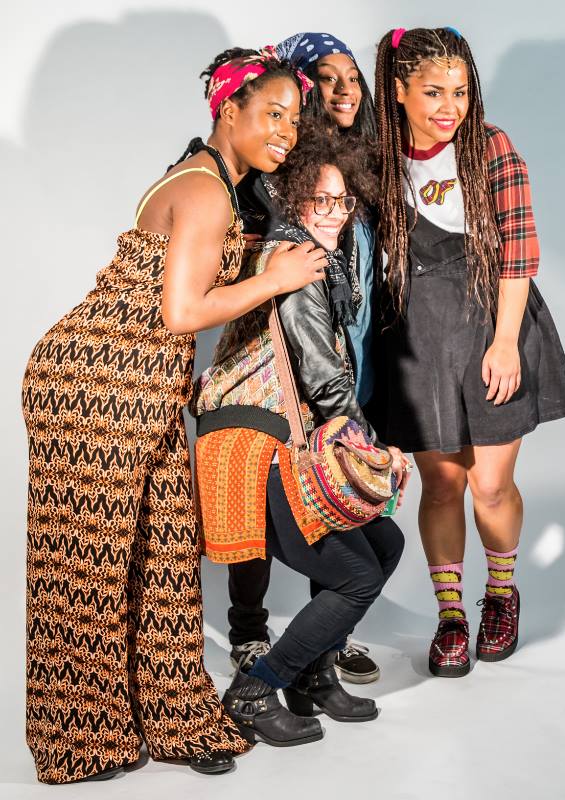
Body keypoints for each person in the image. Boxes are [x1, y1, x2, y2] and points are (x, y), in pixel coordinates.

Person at [21, 46, 325, 784]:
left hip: (142, 391)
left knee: (163, 556)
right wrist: (276, 277)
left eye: (295, 118)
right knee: (86, 570)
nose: (286, 131)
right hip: (93, 389)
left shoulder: (222, 183)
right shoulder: (205, 192)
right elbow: (183, 310)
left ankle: (172, 715)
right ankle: (78, 739)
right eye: (272, 114)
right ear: (230, 112)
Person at [373, 27, 565, 677]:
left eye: (460, 91)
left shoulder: (490, 148)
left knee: (490, 484)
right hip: (417, 333)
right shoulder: (378, 158)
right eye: (433, 91)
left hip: (495, 317)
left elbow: (519, 253)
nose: (449, 106)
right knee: (441, 482)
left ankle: (499, 595)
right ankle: (451, 617)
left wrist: (504, 342)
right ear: (399, 90)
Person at [191, 125, 408, 747]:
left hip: (284, 437)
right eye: (320, 202)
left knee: (384, 545)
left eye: (343, 202)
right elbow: (322, 377)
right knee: (357, 574)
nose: (335, 215)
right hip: (256, 442)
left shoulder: (314, 260)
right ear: (292, 200)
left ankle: (311, 676)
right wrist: (374, 447)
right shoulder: (299, 267)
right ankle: (257, 687)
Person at [229, 31, 385, 685]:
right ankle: (250, 634)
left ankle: (326, 632)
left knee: (334, 497)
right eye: (327, 76)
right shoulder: (272, 167)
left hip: (347, 356)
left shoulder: (358, 161)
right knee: (261, 501)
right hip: (281, 363)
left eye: (353, 75)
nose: (344, 89)